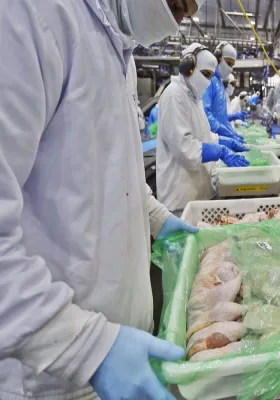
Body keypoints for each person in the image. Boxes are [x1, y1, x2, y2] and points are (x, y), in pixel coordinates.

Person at [0, 0, 204, 399]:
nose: (185, 13)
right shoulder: (29, 15)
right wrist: (85, 348)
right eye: (180, 3)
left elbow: (108, 169)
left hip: (115, 346)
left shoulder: (119, 48)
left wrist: (156, 217)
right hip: (49, 374)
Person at [157, 43, 249, 214]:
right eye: (205, 74)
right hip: (181, 201)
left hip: (197, 196)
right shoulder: (174, 95)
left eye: (211, 76)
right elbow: (185, 149)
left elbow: (203, 136)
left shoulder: (195, 98)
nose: (207, 81)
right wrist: (220, 151)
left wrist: (224, 142)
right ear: (188, 67)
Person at [203, 42, 247, 141]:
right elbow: (205, 114)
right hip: (212, 139)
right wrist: (222, 131)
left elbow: (222, 118)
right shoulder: (209, 81)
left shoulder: (219, 83)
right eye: (229, 63)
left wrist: (232, 133)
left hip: (220, 139)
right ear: (218, 58)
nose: (230, 69)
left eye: (232, 65)